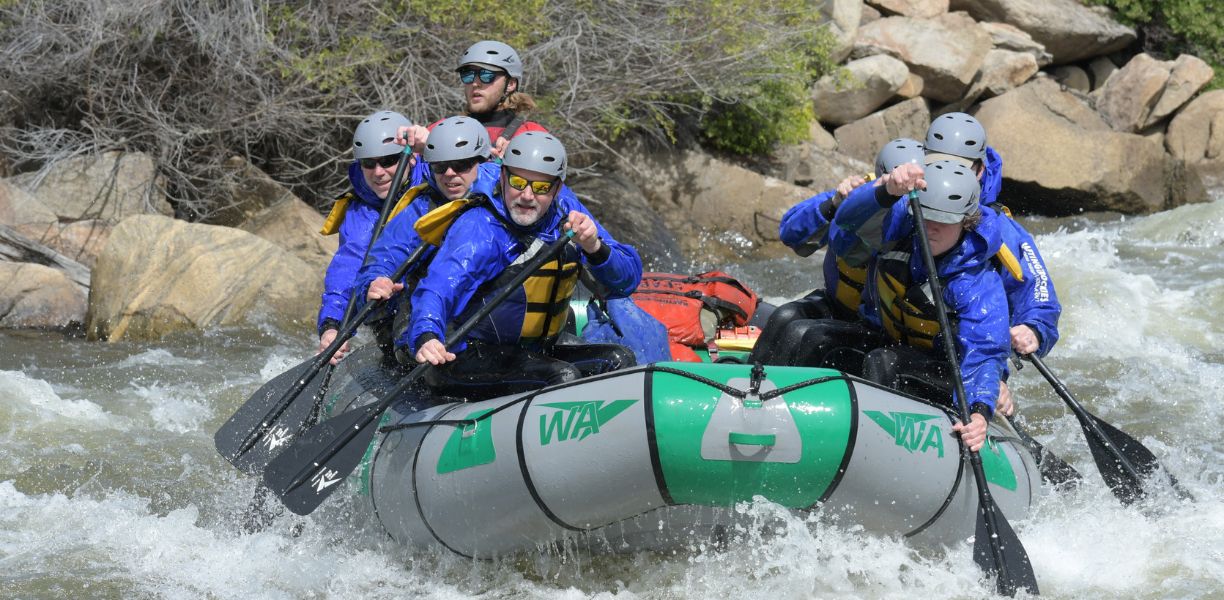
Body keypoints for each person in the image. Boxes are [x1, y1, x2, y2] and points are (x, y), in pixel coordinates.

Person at [407, 132, 642, 400]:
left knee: (618, 360)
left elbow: (627, 282)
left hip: (536, 354)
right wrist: (427, 335)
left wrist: (595, 247)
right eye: (518, 183)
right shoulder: (480, 227)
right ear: (503, 178)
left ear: (556, 189)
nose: (528, 195)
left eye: (541, 188)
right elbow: (437, 288)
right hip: (466, 356)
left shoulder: (567, 214)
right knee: (562, 376)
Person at [834, 160, 1010, 450]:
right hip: (890, 343)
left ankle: (874, 454)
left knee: (884, 361)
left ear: (966, 221)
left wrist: (979, 412)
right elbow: (846, 223)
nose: (933, 228)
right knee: (806, 332)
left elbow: (984, 353)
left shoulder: (978, 283)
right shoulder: (901, 233)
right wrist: (885, 191)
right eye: (928, 217)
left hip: (947, 374)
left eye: (945, 220)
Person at [750, 138, 925, 366]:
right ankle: (749, 384)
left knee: (806, 333)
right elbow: (790, 233)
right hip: (837, 306)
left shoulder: (921, 220)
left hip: (876, 324)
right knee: (785, 315)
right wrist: (835, 203)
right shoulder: (860, 196)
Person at [357, 116, 501, 362]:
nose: (449, 174)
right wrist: (373, 283)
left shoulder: (514, 197)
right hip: (432, 329)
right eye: (439, 166)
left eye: (462, 164)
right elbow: (385, 256)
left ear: (484, 162)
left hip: (490, 324)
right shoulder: (421, 208)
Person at [924, 112, 1061, 359]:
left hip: (969, 347)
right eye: (937, 165)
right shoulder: (903, 199)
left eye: (960, 167)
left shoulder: (1001, 229)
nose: (948, 173)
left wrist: (1034, 329)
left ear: (979, 171)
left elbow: (1040, 294)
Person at [316, 110, 421, 365]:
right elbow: (347, 269)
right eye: (369, 163)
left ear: (412, 158)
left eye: (388, 160)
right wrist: (332, 325)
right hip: (391, 312)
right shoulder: (360, 211)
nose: (379, 172)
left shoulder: (441, 182)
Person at [399, 40, 549, 162]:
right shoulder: (441, 129)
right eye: (468, 75)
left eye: (486, 75)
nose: (475, 83)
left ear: (510, 84)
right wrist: (410, 147)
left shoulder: (530, 134)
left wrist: (523, 159)